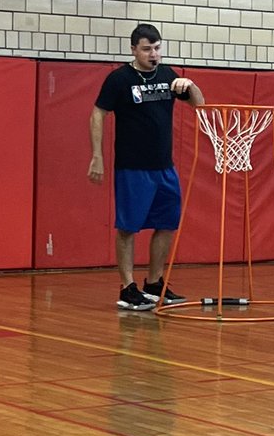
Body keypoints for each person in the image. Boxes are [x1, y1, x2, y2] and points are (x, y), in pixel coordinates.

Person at [88, 23, 205, 311]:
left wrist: (190, 86)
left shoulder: (168, 75)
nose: (153, 54)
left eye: (157, 48)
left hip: (164, 166)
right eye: (146, 49)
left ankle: (154, 283)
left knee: (166, 224)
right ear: (133, 49)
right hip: (132, 167)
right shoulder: (119, 79)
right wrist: (97, 155)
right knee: (128, 227)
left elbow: (199, 105)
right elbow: (98, 113)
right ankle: (128, 287)